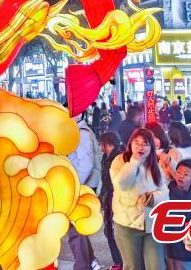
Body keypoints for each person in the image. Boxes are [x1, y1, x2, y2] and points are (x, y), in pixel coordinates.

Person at [111, 128, 168, 270]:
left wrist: (153, 198)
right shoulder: (120, 160)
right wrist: (134, 162)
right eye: (136, 143)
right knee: (132, 266)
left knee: (157, 266)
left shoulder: (154, 164)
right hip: (127, 225)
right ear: (130, 144)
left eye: (145, 144)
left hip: (152, 224)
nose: (140, 147)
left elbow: (165, 192)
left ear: (151, 147)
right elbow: (121, 185)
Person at [67, 113, 102, 270]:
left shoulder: (82, 134)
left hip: (82, 187)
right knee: (79, 227)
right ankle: (90, 261)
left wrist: (75, 187)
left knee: (76, 229)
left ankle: (82, 266)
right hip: (82, 185)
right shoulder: (79, 132)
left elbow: (86, 165)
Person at [165, 160, 191, 270]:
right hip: (170, 247)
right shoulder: (166, 193)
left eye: (186, 174)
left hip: (190, 249)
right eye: (179, 172)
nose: (180, 176)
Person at [99, 132, 124, 270]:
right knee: (109, 231)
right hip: (108, 198)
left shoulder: (118, 158)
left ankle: (122, 262)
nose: (100, 146)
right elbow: (105, 182)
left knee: (115, 233)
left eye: (101, 143)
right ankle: (118, 262)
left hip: (117, 200)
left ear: (108, 143)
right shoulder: (106, 157)